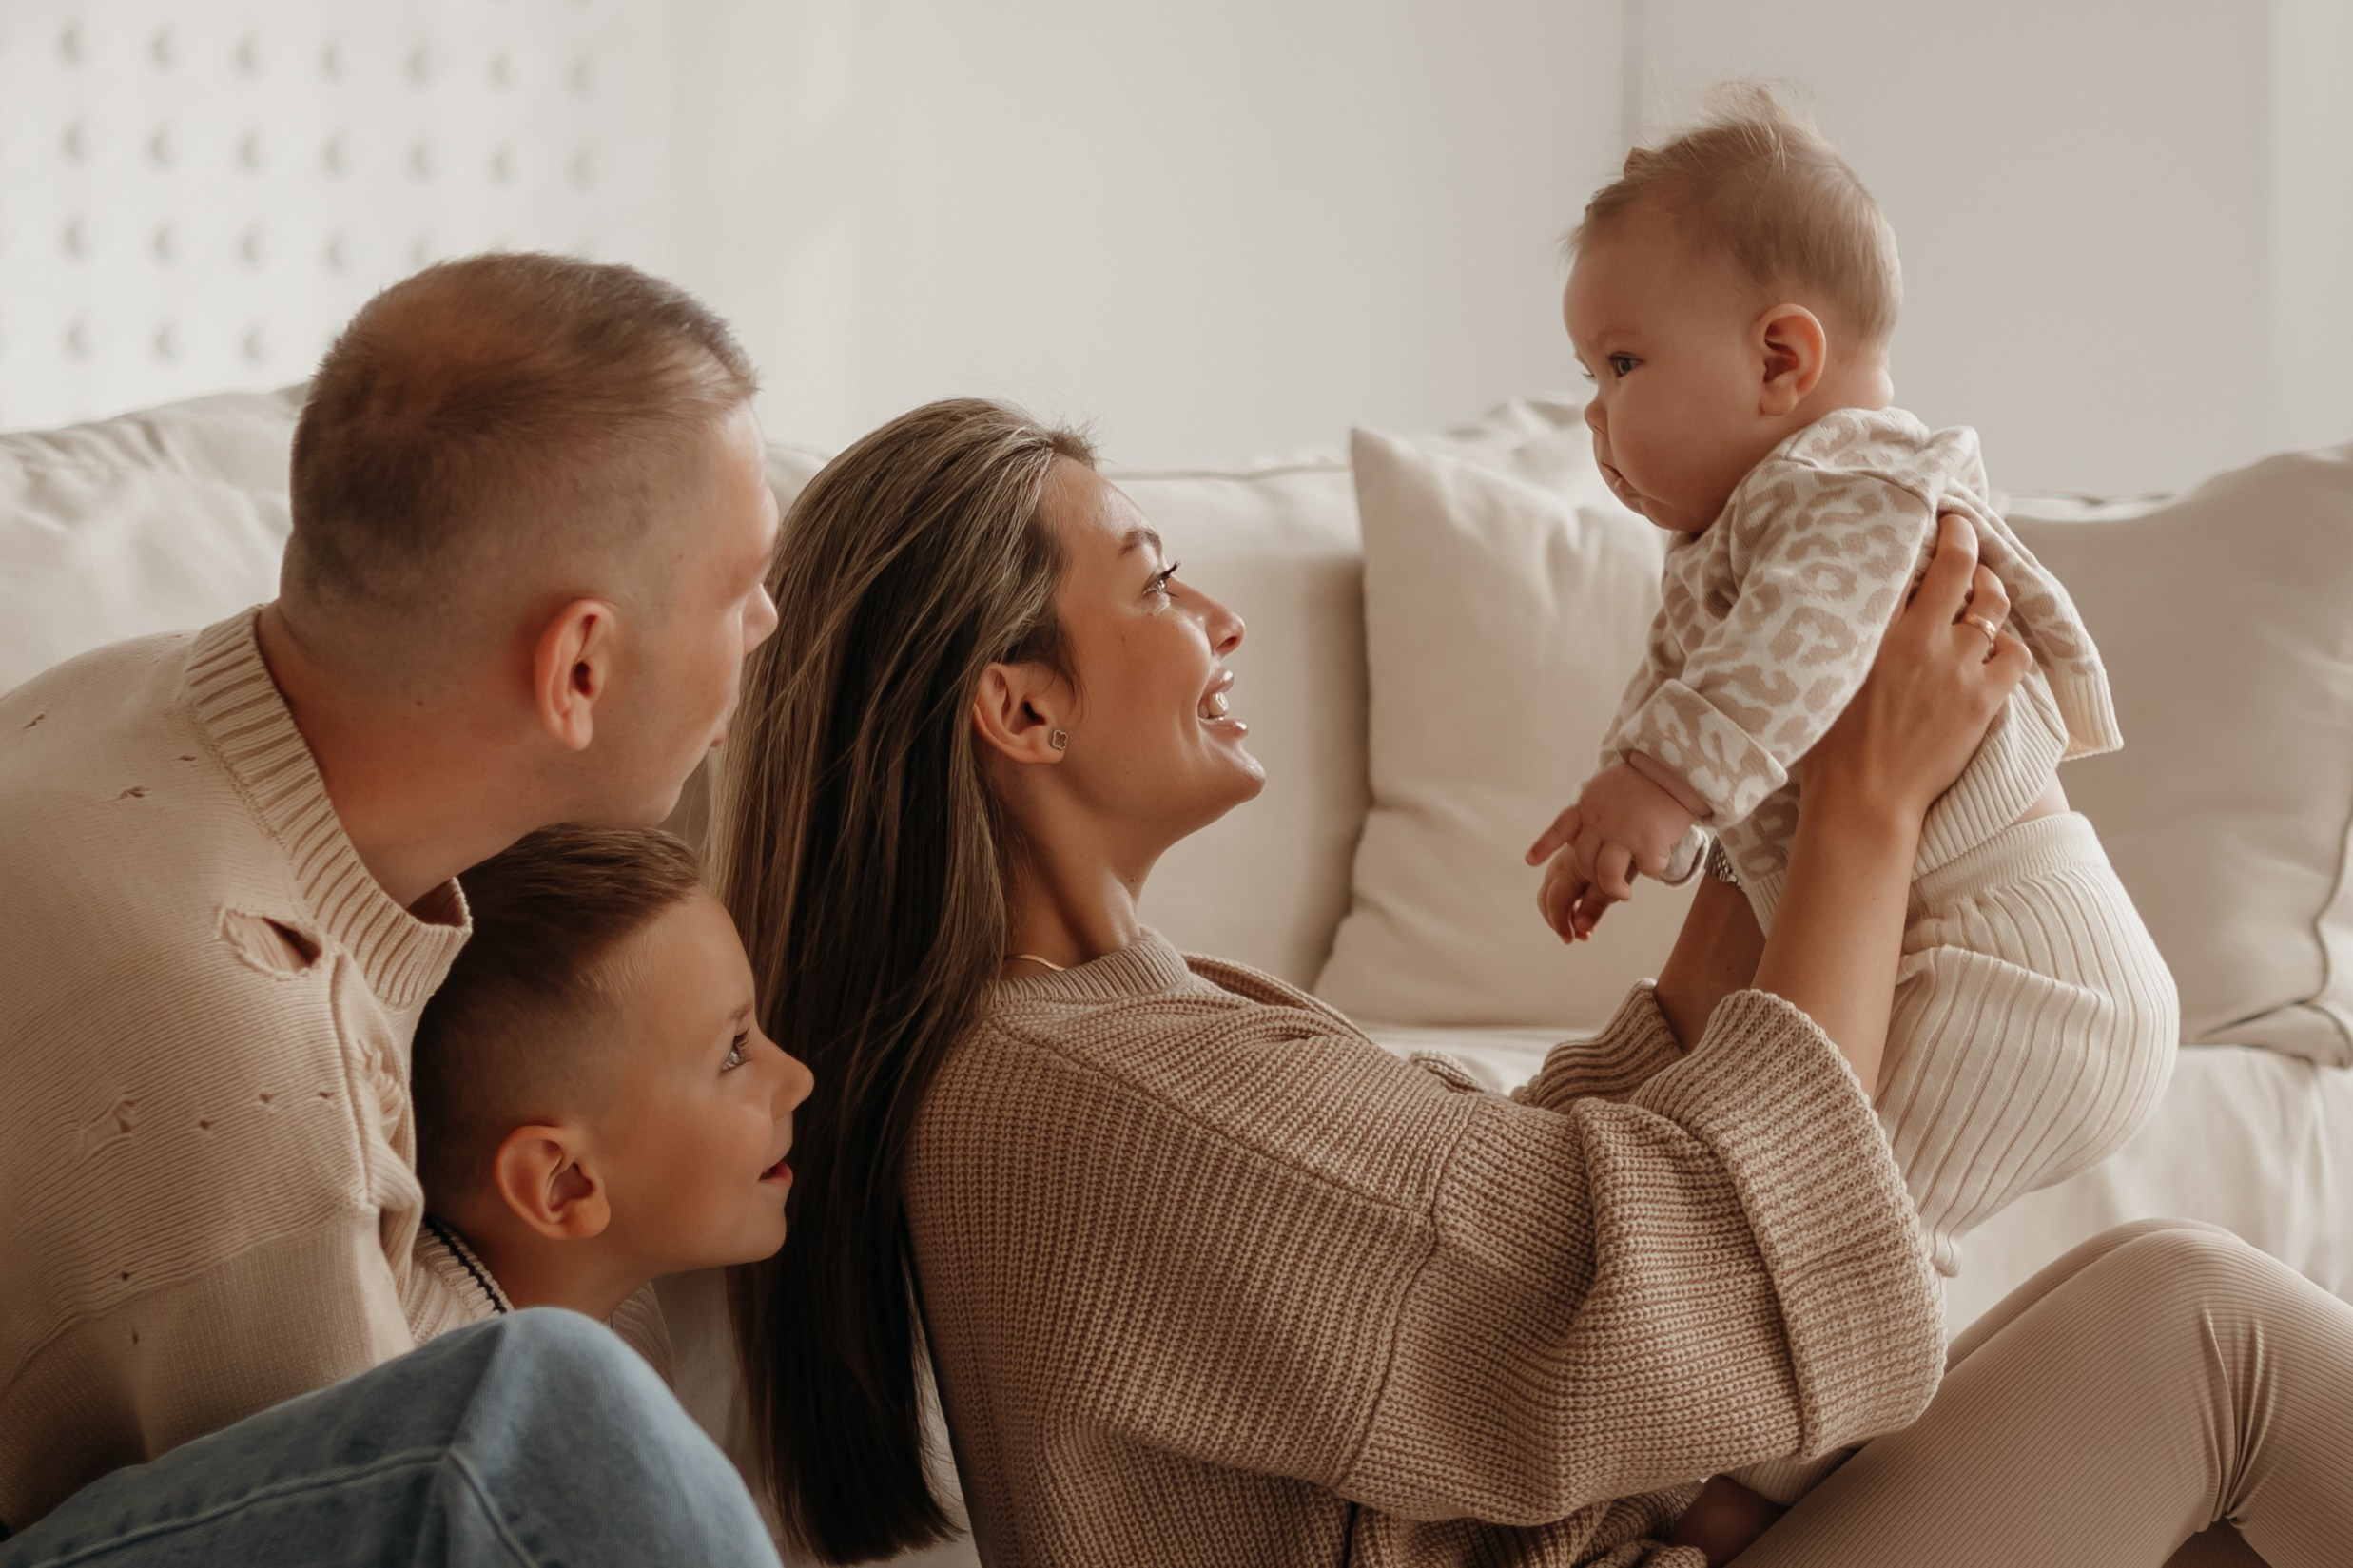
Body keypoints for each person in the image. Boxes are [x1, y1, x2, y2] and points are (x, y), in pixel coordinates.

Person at [717, 396, 2353, 1567]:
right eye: (1152, 580)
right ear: (1018, 711)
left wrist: (1747, 800)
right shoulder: (1097, 1092)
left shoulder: (1079, 1041)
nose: (1216, 618)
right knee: (2202, 1332)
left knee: (2175, 1405)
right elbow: (1675, 1278)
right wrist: (1860, 803)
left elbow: (1494, 1214)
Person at [0, 254, 786, 1563]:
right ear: (579, 667)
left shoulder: (122, 695)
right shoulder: (241, 1053)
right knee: (551, 1416)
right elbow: (404, 1504)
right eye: (739, 587)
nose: (764, 625)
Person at [1528, 86, 2180, 1511]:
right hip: (1956, 938)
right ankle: (1784, 1465)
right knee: (1794, 1196)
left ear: (1780, 359)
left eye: (1620, 362)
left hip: (2022, 962)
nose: (1592, 418)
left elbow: (1799, 656)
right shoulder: (1743, 523)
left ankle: (1769, 1483)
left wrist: (1661, 779)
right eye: (1587, 375)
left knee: (1836, 1217)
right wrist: (1634, 809)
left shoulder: (1855, 479)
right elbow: (1692, 679)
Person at [407, 824, 814, 1328]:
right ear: (565, 1183)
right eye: (733, 1054)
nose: (800, 1079)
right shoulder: (490, 1398)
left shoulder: (611, 1309)